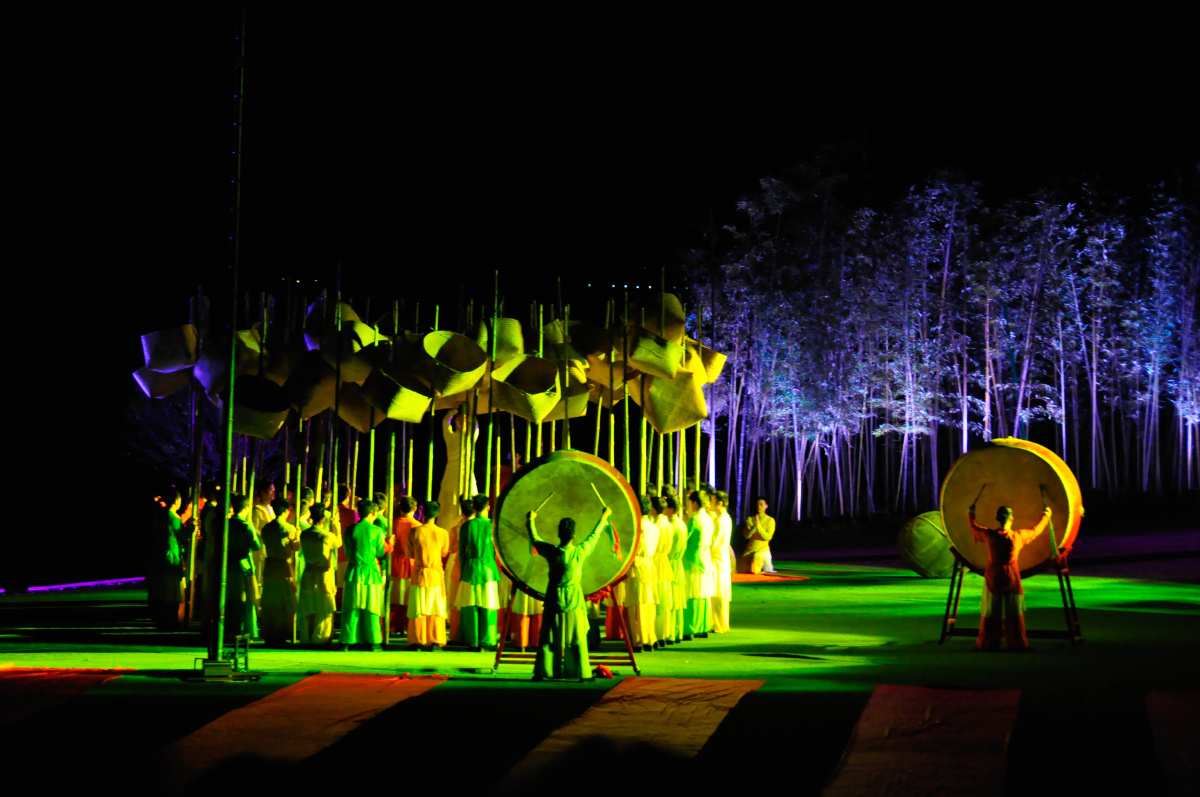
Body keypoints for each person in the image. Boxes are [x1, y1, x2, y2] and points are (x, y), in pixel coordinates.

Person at [527, 505, 612, 681]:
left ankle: (543, 671)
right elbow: (594, 536)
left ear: (559, 534)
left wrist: (530, 521)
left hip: (554, 596)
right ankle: (581, 672)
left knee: (549, 635)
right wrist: (604, 518)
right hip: (573, 598)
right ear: (574, 535)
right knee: (577, 636)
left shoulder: (551, 552)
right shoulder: (580, 551)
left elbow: (535, 539)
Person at [968, 501, 1052, 652]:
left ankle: (987, 644)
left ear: (997, 518)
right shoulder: (1018, 536)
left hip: (993, 577)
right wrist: (1046, 515)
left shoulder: (989, 535)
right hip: (1011, 577)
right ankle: (1017, 644)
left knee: (991, 612)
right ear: (1011, 519)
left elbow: (974, 528)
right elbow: (1036, 530)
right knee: (1013, 614)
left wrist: (971, 513)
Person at [340, 499, 393, 650]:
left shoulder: (350, 530)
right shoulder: (376, 531)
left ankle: (348, 639)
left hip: (354, 571)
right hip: (371, 573)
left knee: (351, 607)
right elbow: (380, 552)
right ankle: (373, 639)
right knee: (372, 608)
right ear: (372, 512)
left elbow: (347, 551)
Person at [457, 494, 501, 651]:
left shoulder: (466, 526)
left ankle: (472, 639)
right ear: (488, 507)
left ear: (474, 508)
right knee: (488, 604)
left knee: (471, 605)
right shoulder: (492, 525)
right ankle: (487, 640)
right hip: (489, 568)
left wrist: (463, 570)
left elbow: (461, 552)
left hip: (471, 567)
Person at [407, 500, 450, 650]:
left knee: (418, 607)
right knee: (436, 607)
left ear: (422, 513)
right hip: (436, 575)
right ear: (437, 514)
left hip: (419, 574)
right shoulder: (443, 533)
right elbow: (444, 553)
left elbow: (409, 554)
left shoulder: (414, 532)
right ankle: (435, 639)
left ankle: (417, 640)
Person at [298, 503, 342, 644]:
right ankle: (321, 636)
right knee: (324, 607)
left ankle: (306, 635)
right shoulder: (326, 536)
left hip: (308, 572)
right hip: (323, 573)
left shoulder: (304, 534)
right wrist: (337, 526)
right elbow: (338, 543)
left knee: (308, 606)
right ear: (323, 518)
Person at [259, 496, 301, 645]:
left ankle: (269, 632)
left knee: (270, 601)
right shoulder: (289, 528)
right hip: (283, 565)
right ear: (285, 511)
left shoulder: (266, 528)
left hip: (270, 564)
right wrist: (297, 536)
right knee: (283, 601)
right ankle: (281, 633)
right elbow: (295, 548)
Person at [220, 493, 262, 642]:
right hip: (243, 565)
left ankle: (228, 628)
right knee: (243, 599)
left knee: (229, 598)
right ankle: (240, 629)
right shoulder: (245, 526)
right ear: (246, 508)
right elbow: (255, 545)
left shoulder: (227, 524)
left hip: (228, 564)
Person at [148, 488, 190, 630]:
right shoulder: (174, 518)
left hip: (160, 556)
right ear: (177, 501)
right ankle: (170, 620)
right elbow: (182, 536)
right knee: (171, 592)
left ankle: (161, 619)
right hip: (172, 557)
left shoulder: (160, 515)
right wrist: (192, 528)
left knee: (162, 590)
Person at [624, 495, 660, 652]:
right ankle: (650, 637)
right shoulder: (654, 527)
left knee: (636, 604)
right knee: (648, 603)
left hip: (638, 564)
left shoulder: (638, 527)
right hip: (649, 564)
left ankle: (639, 639)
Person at [682, 489, 715, 640]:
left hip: (693, 558)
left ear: (694, 503)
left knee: (693, 593)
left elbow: (685, 538)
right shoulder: (708, 519)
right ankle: (703, 625)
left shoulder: (694, 520)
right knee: (704, 594)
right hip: (705, 558)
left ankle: (691, 627)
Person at [388, 496, 420, 634]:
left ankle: (393, 626)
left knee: (395, 596)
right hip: (412, 563)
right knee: (408, 596)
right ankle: (406, 626)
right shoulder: (418, 526)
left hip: (395, 562)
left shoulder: (392, 524)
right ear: (415, 509)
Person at [662, 494, 688, 645]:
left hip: (671, 562)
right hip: (677, 563)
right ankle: (677, 632)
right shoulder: (682, 524)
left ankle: (670, 633)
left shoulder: (671, 527)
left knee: (670, 600)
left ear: (671, 509)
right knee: (677, 601)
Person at [651, 495, 675, 647]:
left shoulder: (656, 526)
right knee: (664, 599)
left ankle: (657, 633)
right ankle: (664, 633)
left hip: (656, 561)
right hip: (664, 561)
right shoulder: (668, 525)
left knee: (657, 599)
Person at [709, 490, 733, 634]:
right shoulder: (725, 518)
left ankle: (720, 624)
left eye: (712, 501)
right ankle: (719, 623)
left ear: (719, 503)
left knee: (718, 592)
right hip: (721, 557)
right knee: (719, 591)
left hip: (718, 558)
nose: (710, 504)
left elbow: (715, 541)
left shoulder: (720, 520)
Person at [738, 496, 776, 574]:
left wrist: (758, 526)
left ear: (766, 506)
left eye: (761, 504)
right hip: (750, 549)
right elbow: (746, 536)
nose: (759, 506)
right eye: (757, 504)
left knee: (756, 559)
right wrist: (754, 527)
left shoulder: (770, 520)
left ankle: (762, 566)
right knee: (740, 569)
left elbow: (768, 537)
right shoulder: (750, 519)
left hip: (762, 550)